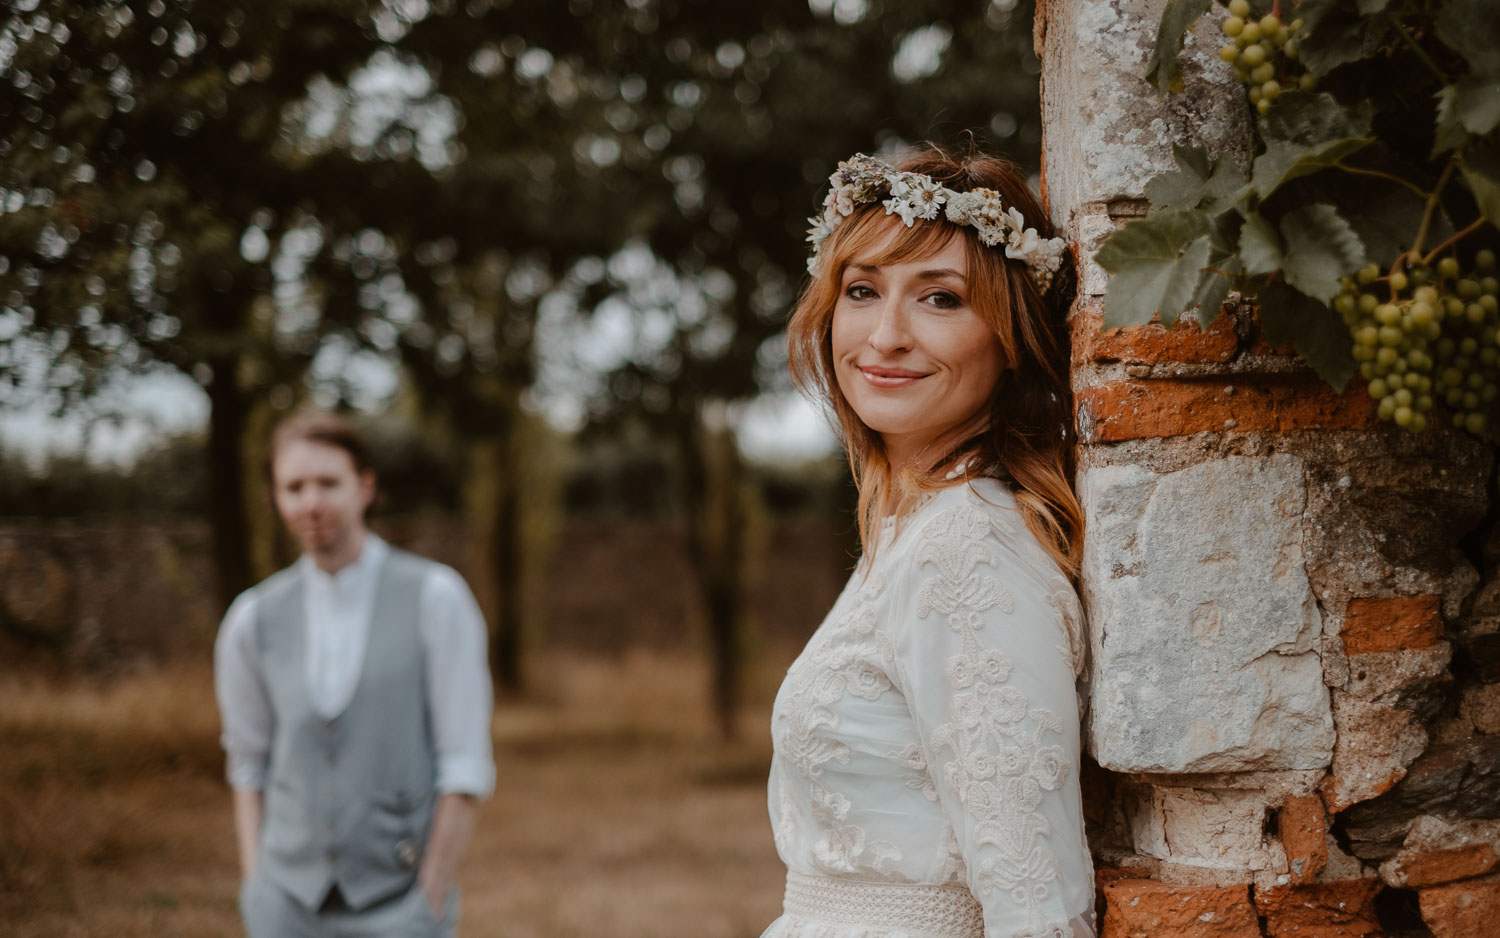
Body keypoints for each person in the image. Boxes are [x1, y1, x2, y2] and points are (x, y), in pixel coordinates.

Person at [761, 147, 1094, 938]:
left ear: (1009, 337)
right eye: (863, 291)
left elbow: (1037, 906)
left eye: (940, 299)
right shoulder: (913, 531)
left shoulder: (966, 549)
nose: (886, 336)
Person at [214, 412, 495, 938]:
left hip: (399, 906)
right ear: (275, 498)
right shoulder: (251, 620)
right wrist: (257, 889)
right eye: (294, 487)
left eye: (327, 483)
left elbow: (464, 765)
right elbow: (248, 766)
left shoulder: (436, 598)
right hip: (284, 906)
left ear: (366, 487)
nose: (311, 503)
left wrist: (427, 902)